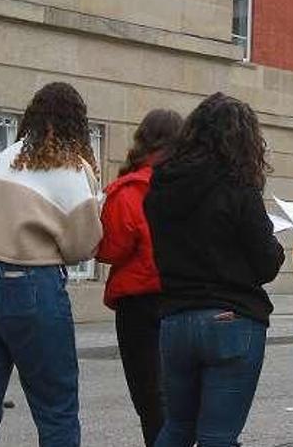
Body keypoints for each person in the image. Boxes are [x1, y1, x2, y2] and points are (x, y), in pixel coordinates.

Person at [0, 82, 103, 447]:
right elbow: (83, 246)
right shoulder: (72, 166)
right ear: (77, 124)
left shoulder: (7, 154)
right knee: (56, 408)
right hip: (29, 283)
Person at [143, 93, 285, 447]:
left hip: (175, 318)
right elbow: (266, 263)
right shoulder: (239, 187)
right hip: (231, 318)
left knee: (176, 428)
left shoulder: (162, 184)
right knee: (217, 438)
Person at [96, 109, 183, 447]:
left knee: (151, 398)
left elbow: (110, 250)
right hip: (182, 298)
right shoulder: (191, 185)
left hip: (139, 303)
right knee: (183, 396)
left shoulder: (129, 190)